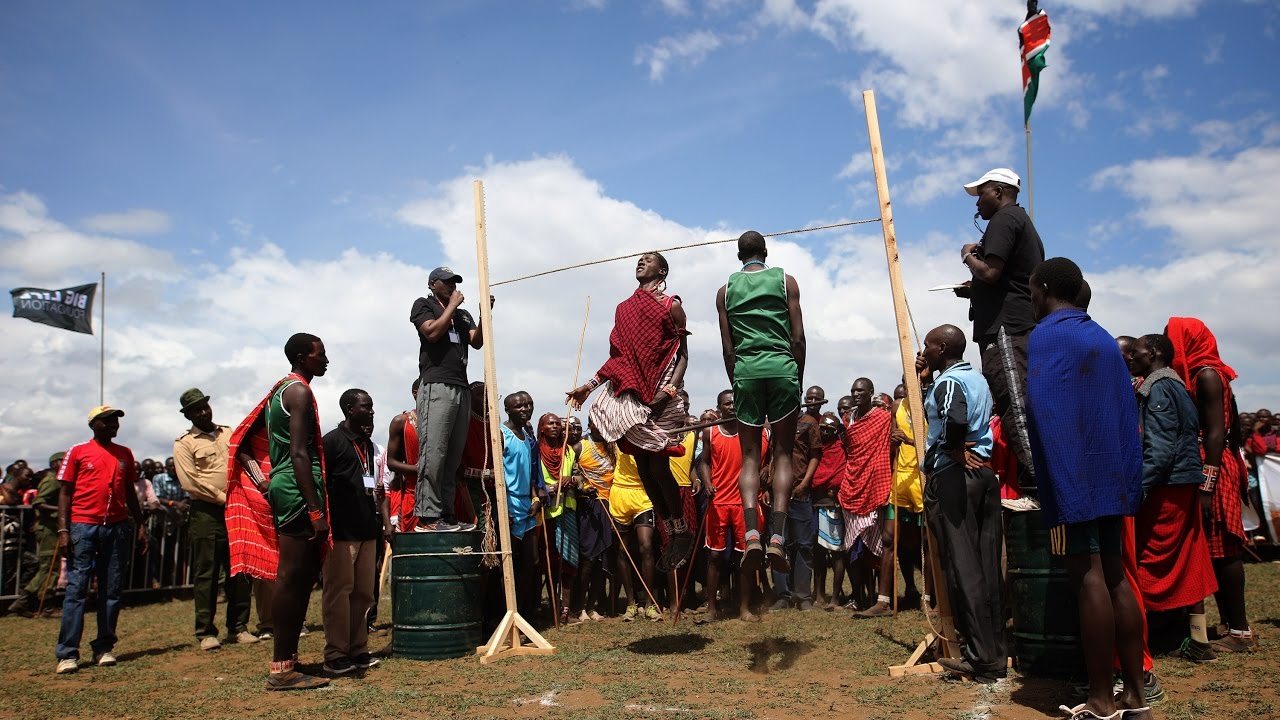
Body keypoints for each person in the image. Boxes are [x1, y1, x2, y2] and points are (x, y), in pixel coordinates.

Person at [1025, 259, 1147, 717]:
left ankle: (1099, 699)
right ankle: (1134, 696)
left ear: (1047, 288)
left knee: (1088, 576)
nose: (1032, 298)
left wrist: (1053, 479)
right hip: (1113, 473)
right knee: (1115, 575)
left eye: (1033, 290)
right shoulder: (1100, 335)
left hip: (1076, 474)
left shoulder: (1049, 334)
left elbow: (1043, 408)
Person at [567, 252, 694, 573]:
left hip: (662, 390)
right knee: (645, 467)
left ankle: (681, 531)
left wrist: (668, 393)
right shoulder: (623, 309)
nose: (641, 262)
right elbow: (618, 358)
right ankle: (675, 530)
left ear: (662, 270)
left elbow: (682, 356)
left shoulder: (671, 306)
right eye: (639, 259)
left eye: (649, 260)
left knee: (659, 464)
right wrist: (590, 385)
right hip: (631, 393)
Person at [227, 332, 332, 691]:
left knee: (300, 577)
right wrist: (315, 509)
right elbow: (300, 453)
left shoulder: (279, 391)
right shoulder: (298, 391)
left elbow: (242, 443)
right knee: (292, 577)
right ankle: (282, 670)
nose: (326, 359)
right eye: (321, 354)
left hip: (290, 485)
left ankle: (287, 660)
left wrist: (262, 481)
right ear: (303, 357)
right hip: (298, 488)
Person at [914, 325, 1005, 683]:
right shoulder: (976, 378)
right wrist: (924, 382)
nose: (924, 351)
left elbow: (953, 418)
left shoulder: (950, 383)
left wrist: (952, 449)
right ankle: (994, 652)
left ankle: (980, 657)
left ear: (943, 347)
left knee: (963, 567)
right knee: (985, 565)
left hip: (957, 475)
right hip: (982, 474)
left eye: (928, 346)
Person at [715, 230, 807, 571]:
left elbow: (728, 348)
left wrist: (737, 381)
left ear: (739, 256)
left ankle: (752, 534)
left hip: (746, 372)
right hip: (783, 369)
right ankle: (778, 539)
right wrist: (796, 378)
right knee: (782, 453)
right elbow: (798, 338)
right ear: (765, 252)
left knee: (751, 458)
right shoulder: (787, 281)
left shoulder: (725, 292)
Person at [1166, 316, 1257, 654]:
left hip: (1212, 464)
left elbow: (1217, 433)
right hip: (1210, 462)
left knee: (1225, 550)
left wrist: (1207, 484)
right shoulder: (1207, 374)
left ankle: (1240, 632)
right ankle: (1231, 625)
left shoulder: (1206, 375)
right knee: (1215, 550)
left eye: (1172, 337)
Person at [1128, 334, 1219, 662]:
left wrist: (1137, 489)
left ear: (1152, 353)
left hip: (1168, 485)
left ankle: (1142, 641)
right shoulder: (1172, 385)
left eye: (1136, 352)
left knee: (1150, 557)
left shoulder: (1161, 387)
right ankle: (1197, 638)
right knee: (1189, 557)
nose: (1131, 357)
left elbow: (1161, 448)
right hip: (1181, 482)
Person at [955, 168, 1045, 489]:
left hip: (1007, 325)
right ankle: (1036, 479)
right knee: (1015, 398)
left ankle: (1039, 480)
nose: (977, 203)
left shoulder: (1005, 220)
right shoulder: (1019, 221)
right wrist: (973, 288)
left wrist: (968, 256)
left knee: (1014, 400)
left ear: (998, 191)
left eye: (981, 194)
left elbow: (992, 272)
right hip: (1012, 321)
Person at [54, 406, 150, 675]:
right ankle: (67, 653)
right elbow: (65, 492)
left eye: (115, 422)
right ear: (93, 424)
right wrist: (63, 530)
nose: (113, 426)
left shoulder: (125, 454)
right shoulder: (78, 451)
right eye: (107, 421)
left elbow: (130, 493)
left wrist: (140, 523)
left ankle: (104, 647)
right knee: (77, 589)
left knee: (111, 589)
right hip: (83, 526)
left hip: (116, 526)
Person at [172, 388, 255, 651]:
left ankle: (238, 627)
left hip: (238, 507)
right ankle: (206, 631)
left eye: (205, 406)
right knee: (206, 572)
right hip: (207, 512)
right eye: (196, 410)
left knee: (240, 569)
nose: (204, 412)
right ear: (188, 415)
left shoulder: (228, 433)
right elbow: (191, 482)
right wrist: (223, 498)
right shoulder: (184, 443)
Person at [409, 267, 486, 532]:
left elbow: (476, 341)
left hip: (461, 386)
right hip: (437, 383)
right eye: (447, 282)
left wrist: (485, 314)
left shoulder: (462, 314)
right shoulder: (424, 305)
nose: (453, 286)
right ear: (433, 284)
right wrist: (451, 306)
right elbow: (431, 332)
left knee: (453, 456)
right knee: (434, 452)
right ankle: (428, 516)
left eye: (455, 282)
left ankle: (447, 513)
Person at [319, 389, 385, 675]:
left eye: (371, 406)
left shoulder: (368, 445)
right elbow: (321, 483)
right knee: (339, 591)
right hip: (342, 530)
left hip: (367, 528)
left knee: (363, 593)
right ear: (349, 409)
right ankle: (336, 652)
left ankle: (359, 648)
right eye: (365, 407)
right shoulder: (332, 442)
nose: (371, 411)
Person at [697, 390, 768, 622]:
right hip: (719, 502)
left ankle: (744, 608)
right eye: (727, 404)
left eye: (735, 403)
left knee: (744, 557)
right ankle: (711, 609)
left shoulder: (751, 432)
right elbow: (704, 462)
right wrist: (707, 482)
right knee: (715, 557)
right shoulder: (711, 431)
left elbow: (771, 454)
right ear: (719, 407)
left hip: (744, 503)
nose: (732, 407)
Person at [841, 378, 893, 615]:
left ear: (871, 393)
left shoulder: (882, 418)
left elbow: (890, 442)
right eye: (853, 390)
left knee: (878, 544)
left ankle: (878, 597)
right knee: (853, 546)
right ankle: (858, 595)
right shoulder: (848, 419)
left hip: (874, 482)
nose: (856, 393)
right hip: (852, 483)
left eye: (860, 390)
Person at [7, 452, 64, 617]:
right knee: (50, 569)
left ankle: (22, 602)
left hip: (52, 528)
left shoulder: (59, 481)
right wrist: (62, 510)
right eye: (63, 461)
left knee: (48, 569)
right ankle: (46, 606)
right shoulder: (52, 481)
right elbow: (38, 503)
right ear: (54, 464)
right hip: (48, 529)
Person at [500, 391, 541, 617]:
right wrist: (503, 508)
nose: (526, 409)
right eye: (519, 406)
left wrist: (535, 497)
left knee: (531, 562)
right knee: (510, 564)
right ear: (508, 410)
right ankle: (504, 614)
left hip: (528, 505)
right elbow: (497, 473)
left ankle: (523, 612)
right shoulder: (501, 433)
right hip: (509, 504)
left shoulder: (527, 435)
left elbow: (531, 471)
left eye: (529, 404)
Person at [887, 383, 927, 609]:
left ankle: (929, 595)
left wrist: (911, 441)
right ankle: (909, 588)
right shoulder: (897, 406)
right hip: (900, 478)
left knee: (926, 541)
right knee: (899, 540)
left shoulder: (929, 403)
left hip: (922, 478)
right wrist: (894, 441)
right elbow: (892, 447)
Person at [571, 417, 615, 621]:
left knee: (602, 559)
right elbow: (573, 476)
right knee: (588, 558)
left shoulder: (614, 447)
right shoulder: (580, 446)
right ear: (590, 425)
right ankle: (578, 607)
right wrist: (582, 489)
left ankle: (592, 607)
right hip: (589, 506)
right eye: (597, 421)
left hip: (610, 504)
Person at [810, 413, 848, 609]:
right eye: (822, 428)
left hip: (833, 505)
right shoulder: (815, 449)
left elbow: (840, 474)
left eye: (829, 430)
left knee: (836, 552)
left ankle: (834, 598)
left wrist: (832, 486)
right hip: (815, 503)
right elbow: (814, 474)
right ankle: (818, 595)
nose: (825, 433)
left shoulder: (840, 448)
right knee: (817, 553)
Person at [385, 379, 421, 533]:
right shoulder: (401, 422)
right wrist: (421, 469)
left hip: (442, 494)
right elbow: (391, 462)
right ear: (415, 393)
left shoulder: (445, 422)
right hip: (413, 493)